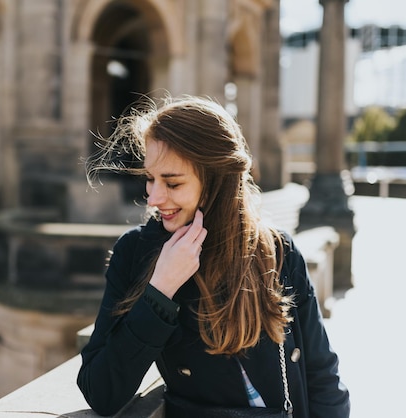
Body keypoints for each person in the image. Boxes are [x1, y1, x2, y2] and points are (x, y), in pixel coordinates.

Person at [77, 95, 350, 418]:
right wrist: (160, 291)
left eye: (172, 182)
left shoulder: (276, 250)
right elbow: (101, 391)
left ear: (217, 181)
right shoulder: (134, 253)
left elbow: (322, 374)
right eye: (150, 179)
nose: (153, 197)